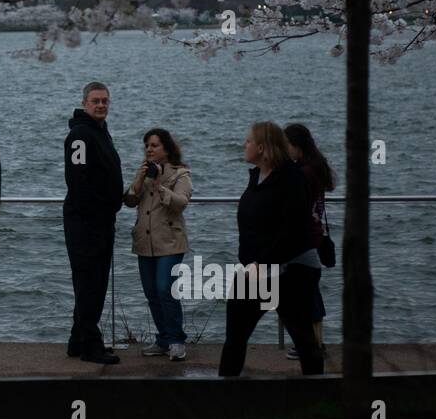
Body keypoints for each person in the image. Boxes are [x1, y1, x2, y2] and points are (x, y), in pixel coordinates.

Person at [218, 121, 324, 377]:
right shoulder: (257, 176)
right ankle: (222, 393)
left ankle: (321, 393)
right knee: (235, 333)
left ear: (262, 147)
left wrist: (262, 262)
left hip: (291, 268)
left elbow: (293, 230)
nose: (244, 145)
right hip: (257, 269)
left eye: (248, 141)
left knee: (302, 337)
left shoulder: (291, 178)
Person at [62, 82, 124, 365]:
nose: (101, 105)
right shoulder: (80, 136)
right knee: (90, 284)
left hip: (100, 220)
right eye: (96, 101)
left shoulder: (99, 132)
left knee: (93, 282)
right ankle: (91, 346)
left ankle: (78, 339)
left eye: (105, 101)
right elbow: (78, 181)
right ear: (84, 103)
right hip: (87, 223)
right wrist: (95, 214)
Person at [123, 128, 193, 360]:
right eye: (147, 146)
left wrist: (159, 185)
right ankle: (163, 338)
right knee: (151, 292)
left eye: (154, 145)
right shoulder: (143, 172)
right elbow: (130, 201)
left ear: (166, 148)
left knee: (165, 289)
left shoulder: (180, 173)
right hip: (145, 241)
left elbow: (181, 203)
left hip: (170, 242)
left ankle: (176, 340)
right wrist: (140, 179)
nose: (149, 150)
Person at [285, 122, 334, 359]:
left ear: (297, 146)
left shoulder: (303, 173)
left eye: (287, 146)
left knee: (305, 294)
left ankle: (313, 345)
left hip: (303, 238)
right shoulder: (316, 168)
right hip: (314, 234)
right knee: (309, 292)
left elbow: (296, 206)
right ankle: (315, 342)